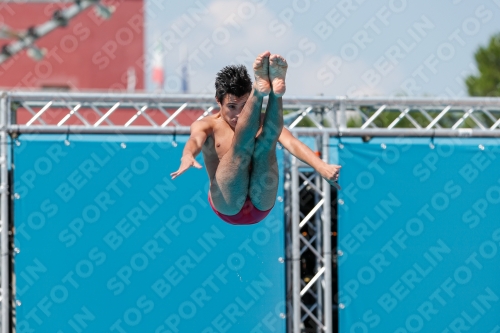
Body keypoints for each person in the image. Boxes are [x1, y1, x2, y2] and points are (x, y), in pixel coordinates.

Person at [171, 51, 341, 225]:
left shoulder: (263, 122)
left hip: (261, 204)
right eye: (231, 106)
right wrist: (187, 155)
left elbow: (291, 142)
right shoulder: (207, 125)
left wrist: (322, 167)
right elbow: (195, 140)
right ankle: (260, 92)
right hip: (227, 204)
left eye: (244, 106)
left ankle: (276, 92)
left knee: (267, 143)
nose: (237, 114)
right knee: (240, 148)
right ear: (218, 101)